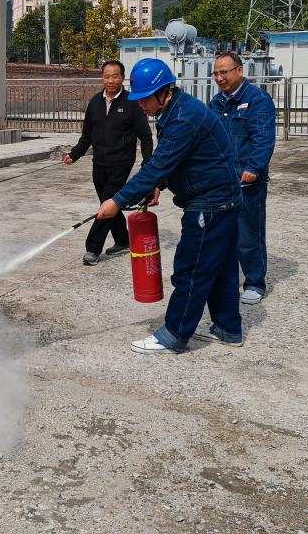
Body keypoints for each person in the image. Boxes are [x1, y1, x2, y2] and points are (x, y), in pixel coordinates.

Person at [95, 58, 243, 355]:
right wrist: (158, 185)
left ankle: (174, 334)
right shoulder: (176, 109)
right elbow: (174, 160)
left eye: (144, 99)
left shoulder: (183, 118)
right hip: (222, 199)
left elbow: (159, 164)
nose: (140, 105)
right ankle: (227, 328)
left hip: (211, 203)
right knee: (221, 269)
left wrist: (117, 200)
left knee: (192, 268)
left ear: (164, 92)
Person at [64, 60, 153, 265]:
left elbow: (146, 137)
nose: (110, 81)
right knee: (111, 204)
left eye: (115, 76)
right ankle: (123, 240)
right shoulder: (95, 102)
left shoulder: (132, 103)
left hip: (121, 162)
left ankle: (93, 248)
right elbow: (87, 135)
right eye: (106, 76)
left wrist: (148, 164)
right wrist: (75, 154)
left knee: (107, 204)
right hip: (99, 162)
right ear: (102, 78)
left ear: (122, 78)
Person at [209, 52, 277, 305]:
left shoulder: (257, 99)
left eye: (224, 72)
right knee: (221, 233)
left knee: (249, 233)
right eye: (216, 73)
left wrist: (254, 168)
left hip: (247, 181)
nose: (219, 78)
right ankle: (225, 280)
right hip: (221, 180)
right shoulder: (216, 102)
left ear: (240, 70)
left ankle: (255, 282)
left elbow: (263, 138)